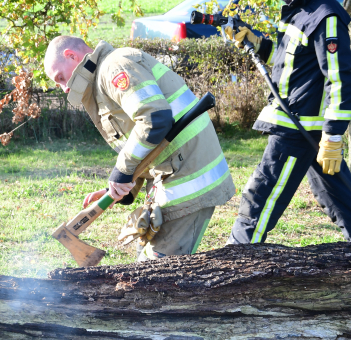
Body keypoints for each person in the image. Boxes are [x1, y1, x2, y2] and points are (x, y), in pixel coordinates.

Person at [225, 0, 351, 244]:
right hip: (304, 129)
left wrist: (334, 134)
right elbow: (288, 66)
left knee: (260, 199)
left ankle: (236, 260)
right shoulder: (298, 12)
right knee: (344, 203)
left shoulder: (326, 17)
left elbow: (340, 79)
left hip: (297, 130)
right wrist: (254, 41)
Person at [44, 36, 236, 260]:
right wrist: (119, 189)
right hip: (170, 175)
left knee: (158, 275)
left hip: (189, 178)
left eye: (60, 77)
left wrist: (122, 171)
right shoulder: (100, 81)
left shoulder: (115, 66)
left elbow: (155, 118)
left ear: (71, 55)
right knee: (145, 267)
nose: (63, 88)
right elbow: (146, 144)